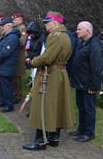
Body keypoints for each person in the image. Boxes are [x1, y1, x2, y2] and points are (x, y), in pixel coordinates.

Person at [23, 11, 75, 151]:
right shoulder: (65, 36)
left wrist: (32, 62)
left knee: (43, 105)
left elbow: (47, 58)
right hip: (60, 73)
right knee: (56, 105)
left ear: (55, 23)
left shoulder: (55, 37)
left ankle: (40, 141)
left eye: (47, 22)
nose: (45, 25)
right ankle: (54, 137)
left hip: (50, 74)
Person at [69, 21, 103, 142]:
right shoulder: (83, 43)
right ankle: (81, 128)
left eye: (79, 29)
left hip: (88, 84)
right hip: (80, 83)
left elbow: (97, 68)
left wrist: (94, 86)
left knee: (89, 109)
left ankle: (89, 133)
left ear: (87, 31)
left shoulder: (95, 46)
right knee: (81, 106)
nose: (77, 31)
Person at [0, 18, 20, 113]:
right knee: (0, 86)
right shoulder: (5, 36)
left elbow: (5, 53)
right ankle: (2, 101)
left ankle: (9, 105)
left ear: (8, 26)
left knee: (6, 87)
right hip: (1, 66)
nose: (2, 28)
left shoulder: (13, 38)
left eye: (3, 26)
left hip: (7, 66)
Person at [11, 13, 28, 104]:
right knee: (14, 77)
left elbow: (22, 42)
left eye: (15, 19)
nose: (13, 21)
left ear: (20, 20)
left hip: (19, 56)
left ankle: (17, 96)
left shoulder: (22, 29)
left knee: (16, 77)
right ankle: (15, 94)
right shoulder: (16, 29)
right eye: (13, 20)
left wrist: (12, 41)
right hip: (15, 55)